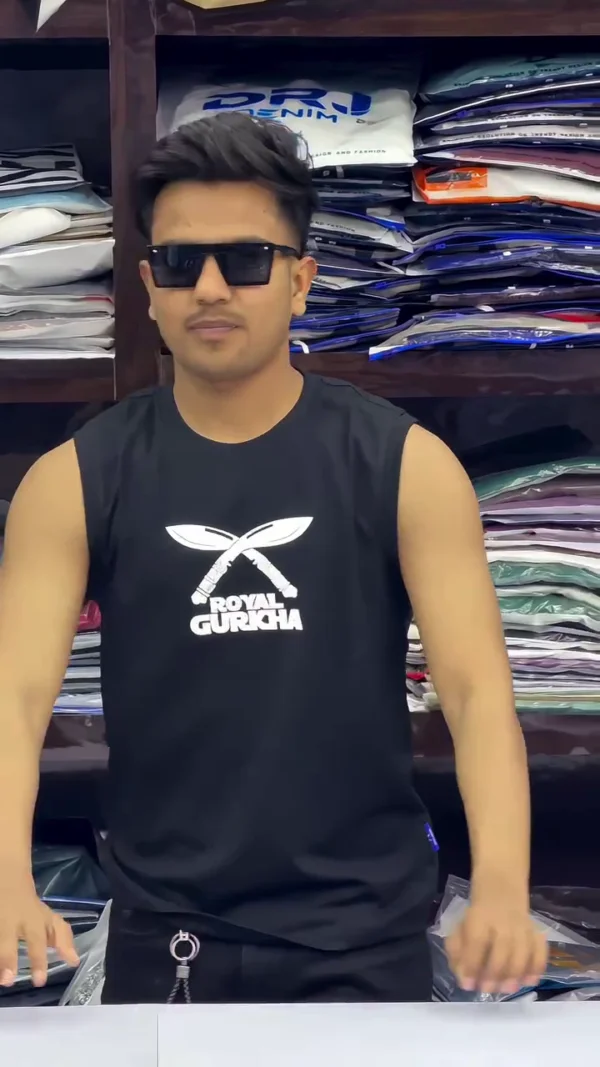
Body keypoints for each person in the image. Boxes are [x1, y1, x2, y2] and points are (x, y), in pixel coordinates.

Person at [0, 113, 547, 1005]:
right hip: (167, 940)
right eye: (182, 262)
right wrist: (5, 879)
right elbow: (15, 698)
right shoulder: (73, 480)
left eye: (247, 259)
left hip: (366, 943)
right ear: (149, 286)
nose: (212, 287)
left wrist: (500, 889)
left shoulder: (405, 466)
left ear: (300, 281)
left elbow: (479, 695)